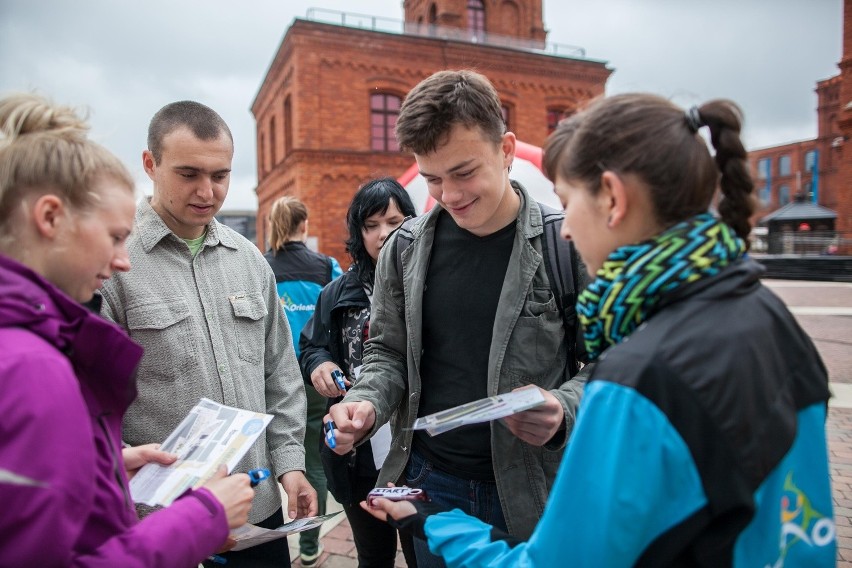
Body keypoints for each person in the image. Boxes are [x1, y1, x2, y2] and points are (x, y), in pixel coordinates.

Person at [365, 94, 836, 567]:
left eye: (569, 203)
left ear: (613, 197)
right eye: (433, 180)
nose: (565, 228)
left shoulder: (639, 377)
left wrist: (430, 520)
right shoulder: (768, 316)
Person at [325, 70, 586, 567]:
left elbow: (612, 365)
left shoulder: (565, 243)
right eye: (432, 179)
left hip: (533, 487)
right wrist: (364, 403)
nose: (448, 194)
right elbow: (387, 352)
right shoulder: (403, 249)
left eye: (464, 172)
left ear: (506, 149)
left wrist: (563, 407)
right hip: (428, 482)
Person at [0, 93, 256, 567]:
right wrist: (201, 518)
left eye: (219, 176)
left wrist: (101, 467)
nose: (122, 259)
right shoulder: (30, 367)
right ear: (51, 218)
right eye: (115, 238)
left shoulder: (31, 348)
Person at [99, 100, 317, 567]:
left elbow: (279, 371)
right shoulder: (114, 266)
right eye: (189, 174)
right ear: (150, 164)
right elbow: (91, 404)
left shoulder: (249, 259)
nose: (207, 191)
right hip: (159, 522)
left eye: (220, 175)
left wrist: (291, 463)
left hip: (257, 508)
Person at [299, 178, 417, 567]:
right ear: (358, 232)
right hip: (358, 449)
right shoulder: (336, 293)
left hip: (420, 451)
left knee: (425, 552)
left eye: (394, 221)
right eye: (371, 225)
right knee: (373, 554)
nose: (383, 234)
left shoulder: (430, 285)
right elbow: (312, 345)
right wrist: (321, 364)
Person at [263, 195, 342, 566]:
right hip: (313, 377)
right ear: (304, 225)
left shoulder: (259, 267)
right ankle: (310, 546)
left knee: (264, 461)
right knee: (311, 462)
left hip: (268, 381)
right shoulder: (326, 267)